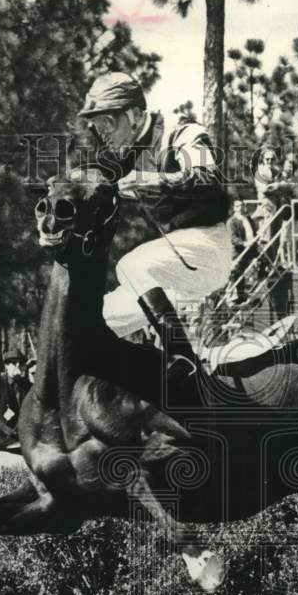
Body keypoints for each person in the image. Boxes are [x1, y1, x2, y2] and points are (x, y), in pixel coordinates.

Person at [77, 72, 232, 376]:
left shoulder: (182, 131)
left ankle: (186, 364)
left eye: (107, 123)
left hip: (208, 248)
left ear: (134, 115)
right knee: (96, 321)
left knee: (130, 266)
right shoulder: (125, 154)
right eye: (97, 127)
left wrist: (149, 180)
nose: (102, 133)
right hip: (175, 271)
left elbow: (208, 177)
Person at [0, 348, 31, 429]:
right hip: (3, 429)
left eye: (21, 363)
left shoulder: (28, 385)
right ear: (6, 366)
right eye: (14, 362)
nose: (18, 365)